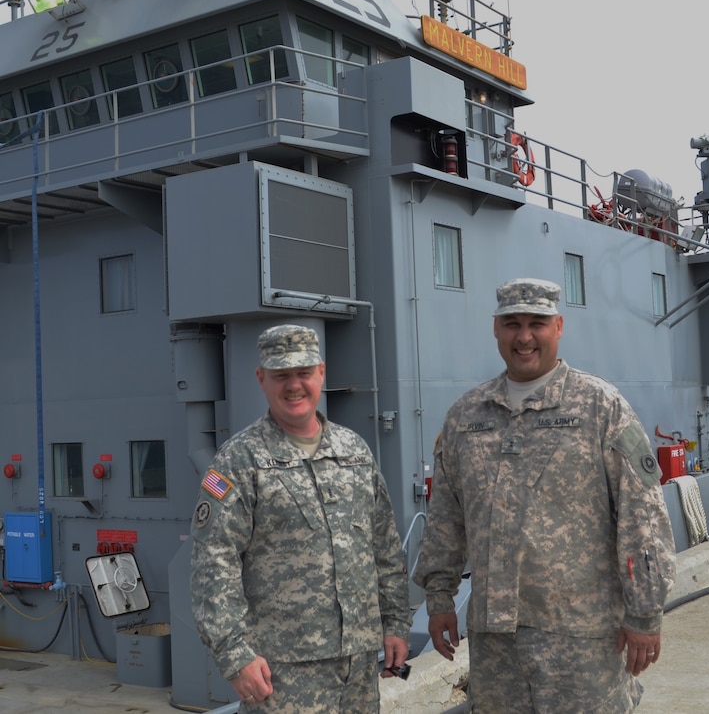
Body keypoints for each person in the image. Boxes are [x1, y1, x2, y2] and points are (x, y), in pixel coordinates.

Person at [413, 278, 676, 713]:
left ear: (558, 326)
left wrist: (645, 614)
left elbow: (642, 515)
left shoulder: (600, 407)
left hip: (582, 638)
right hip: (495, 644)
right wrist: (439, 599)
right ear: (496, 329)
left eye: (537, 323)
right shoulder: (466, 416)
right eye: (512, 323)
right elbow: (447, 517)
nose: (524, 336)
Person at [190, 323, 411, 713]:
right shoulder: (240, 460)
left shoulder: (353, 449)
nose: (294, 386)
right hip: (282, 672)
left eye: (304, 373)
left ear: (321, 373)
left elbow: (385, 546)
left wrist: (395, 623)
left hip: (359, 664)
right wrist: (235, 653)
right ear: (262, 379)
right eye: (281, 376)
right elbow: (213, 562)